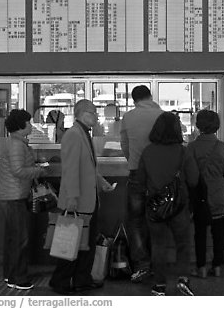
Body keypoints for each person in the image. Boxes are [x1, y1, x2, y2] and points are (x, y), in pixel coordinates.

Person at [49, 100, 116, 294]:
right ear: (81, 113)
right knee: (70, 244)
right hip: (77, 201)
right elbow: (70, 170)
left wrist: (102, 184)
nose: (96, 116)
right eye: (93, 113)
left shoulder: (84, 134)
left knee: (85, 245)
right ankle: (60, 281)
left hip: (89, 201)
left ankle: (82, 279)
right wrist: (72, 198)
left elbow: (89, 169)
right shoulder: (73, 135)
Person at [136, 112, 199, 296]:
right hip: (179, 207)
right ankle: (183, 280)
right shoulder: (183, 151)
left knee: (158, 245)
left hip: (155, 207)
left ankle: (159, 285)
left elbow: (140, 181)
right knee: (183, 244)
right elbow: (194, 179)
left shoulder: (148, 151)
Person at [0, 109, 49, 290]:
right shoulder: (17, 145)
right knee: (20, 239)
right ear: (21, 126)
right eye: (29, 122)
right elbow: (18, 171)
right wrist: (39, 170)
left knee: (13, 238)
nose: (31, 125)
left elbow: (19, 166)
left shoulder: (16, 143)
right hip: (13, 195)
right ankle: (19, 278)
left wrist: (35, 163)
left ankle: (10, 276)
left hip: (11, 194)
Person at [120, 85, 163, 283]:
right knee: (158, 219)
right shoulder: (163, 115)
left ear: (134, 99)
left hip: (137, 174)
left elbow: (125, 146)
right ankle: (158, 264)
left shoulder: (128, 117)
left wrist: (133, 162)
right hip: (159, 176)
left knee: (136, 221)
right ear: (150, 96)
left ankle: (142, 265)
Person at [186, 110, 224, 278]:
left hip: (199, 198)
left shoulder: (191, 147)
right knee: (218, 233)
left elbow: (189, 175)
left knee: (200, 233)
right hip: (218, 196)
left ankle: (201, 268)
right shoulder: (222, 146)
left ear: (198, 125)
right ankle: (218, 266)